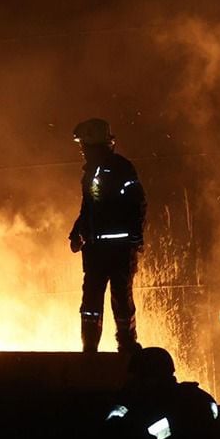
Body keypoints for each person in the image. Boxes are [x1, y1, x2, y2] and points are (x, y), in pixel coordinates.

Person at [69, 118, 147, 353]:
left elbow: (138, 202)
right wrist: (77, 232)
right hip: (95, 249)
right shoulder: (91, 172)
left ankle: (127, 345)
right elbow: (89, 207)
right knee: (91, 302)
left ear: (93, 143)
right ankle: (90, 347)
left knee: (121, 298)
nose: (81, 149)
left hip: (119, 249)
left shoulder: (121, 168)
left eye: (83, 144)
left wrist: (134, 237)